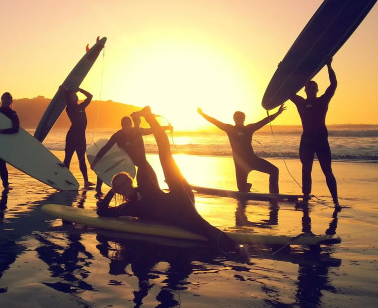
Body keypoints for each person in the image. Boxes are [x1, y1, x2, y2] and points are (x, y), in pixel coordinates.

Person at [97, 107, 243, 254]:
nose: (123, 187)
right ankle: (237, 249)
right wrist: (112, 191)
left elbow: (141, 156)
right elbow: (102, 212)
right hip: (179, 215)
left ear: (130, 181)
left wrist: (137, 126)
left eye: (124, 183)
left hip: (178, 197)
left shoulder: (143, 185)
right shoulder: (128, 207)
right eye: (119, 188)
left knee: (165, 157)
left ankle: (150, 117)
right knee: (205, 229)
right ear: (118, 192)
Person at [197, 105, 285, 194]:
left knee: (274, 170)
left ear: (244, 119)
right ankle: (246, 186)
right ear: (234, 119)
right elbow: (215, 122)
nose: (239, 119)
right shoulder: (229, 128)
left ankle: (274, 195)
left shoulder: (249, 128)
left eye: (241, 117)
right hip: (240, 165)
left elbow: (264, 121)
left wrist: (278, 113)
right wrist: (202, 114)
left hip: (252, 160)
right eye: (237, 118)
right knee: (241, 190)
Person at [290, 58, 339, 207]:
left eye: (313, 88)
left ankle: (336, 201)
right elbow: (288, 90)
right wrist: (285, 71)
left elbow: (333, 84)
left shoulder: (323, 100)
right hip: (307, 140)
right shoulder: (300, 102)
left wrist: (329, 66)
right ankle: (306, 198)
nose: (311, 90)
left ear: (317, 90)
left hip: (321, 139)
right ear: (305, 90)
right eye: (308, 88)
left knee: (327, 170)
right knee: (306, 170)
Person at [90, 111, 158, 193]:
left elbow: (151, 130)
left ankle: (154, 189)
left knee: (151, 173)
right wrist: (95, 161)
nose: (125, 125)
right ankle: (98, 188)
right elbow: (106, 148)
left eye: (127, 123)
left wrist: (166, 128)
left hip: (137, 159)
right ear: (121, 125)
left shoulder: (137, 131)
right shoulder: (118, 135)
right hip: (123, 158)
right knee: (105, 166)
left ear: (131, 124)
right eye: (123, 124)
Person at [60, 86, 93, 188]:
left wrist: (79, 89)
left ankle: (86, 181)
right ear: (70, 99)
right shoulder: (69, 108)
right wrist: (66, 91)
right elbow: (66, 96)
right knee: (67, 158)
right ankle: (62, 179)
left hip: (81, 137)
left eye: (76, 96)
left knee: (82, 159)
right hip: (72, 136)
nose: (75, 97)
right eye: (73, 96)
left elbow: (90, 96)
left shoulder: (82, 106)